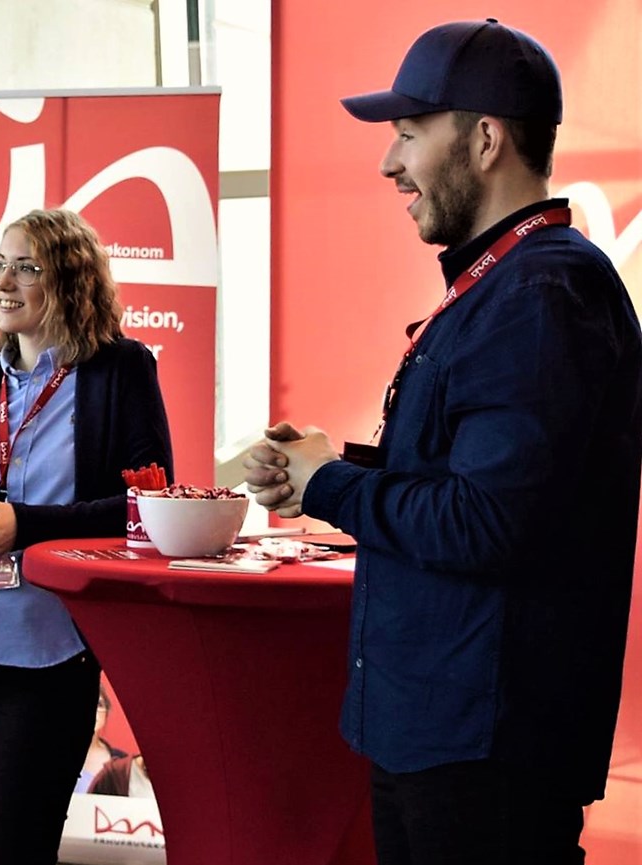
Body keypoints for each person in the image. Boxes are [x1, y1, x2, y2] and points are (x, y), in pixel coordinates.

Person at [243, 19, 642, 865]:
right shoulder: (505, 285)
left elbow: (485, 522)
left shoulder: (541, 292)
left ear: (486, 138)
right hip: (445, 733)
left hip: (485, 751)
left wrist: (330, 487)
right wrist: (331, 467)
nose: (391, 164)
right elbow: (469, 479)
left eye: (409, 134)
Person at [0, 208, 175, 865]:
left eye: (26, 266)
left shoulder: (122, 371)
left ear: (72, 280)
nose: (4, 280)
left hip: (48, 653)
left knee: (17, 854)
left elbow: (152, 505)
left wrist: (28, 525)